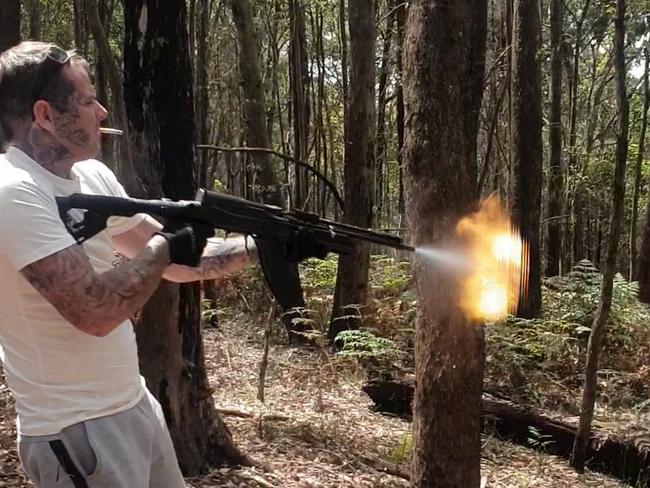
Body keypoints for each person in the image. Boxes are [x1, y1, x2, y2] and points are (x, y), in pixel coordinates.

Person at [0, 41, 270, 488]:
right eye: (87, 101)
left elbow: (178, 263)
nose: (102, 112)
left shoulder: (91, 176)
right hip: (77, 430)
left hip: (133, 403)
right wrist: (167, 245)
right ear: (46, 116)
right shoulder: (14, 192)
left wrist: (263, 244)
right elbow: (96, 311)